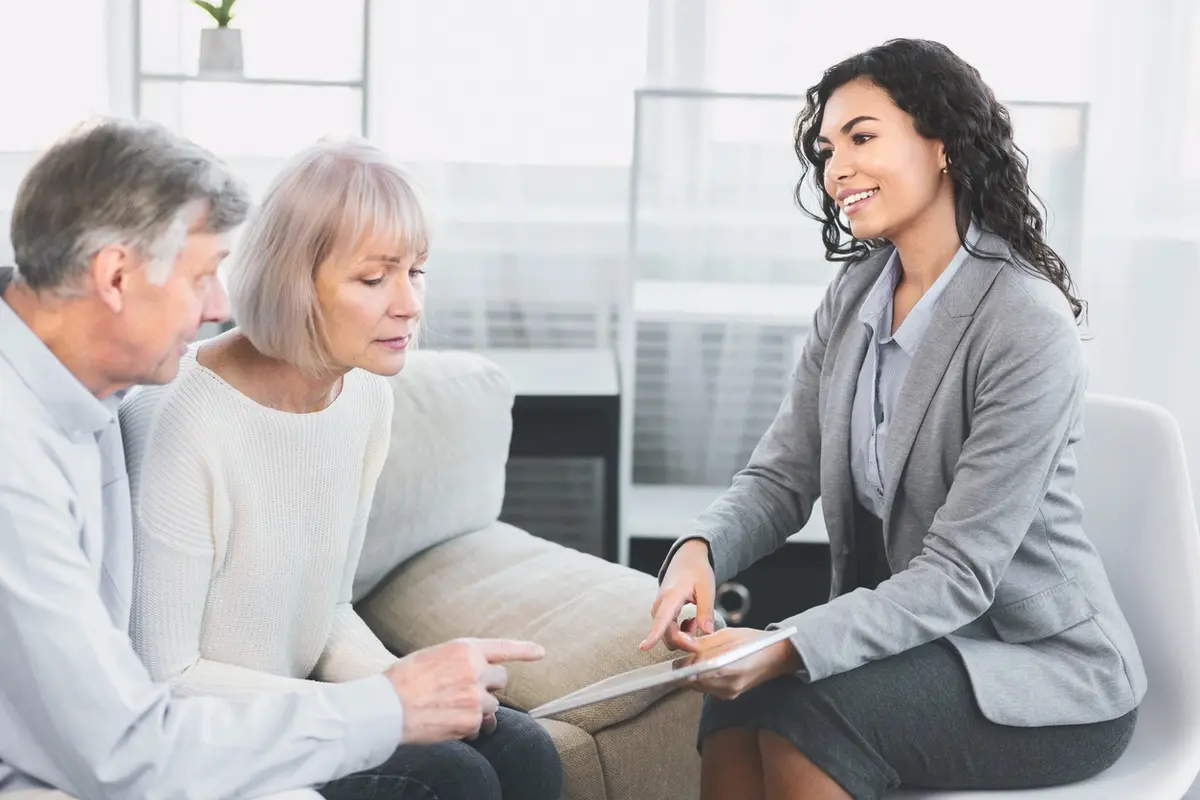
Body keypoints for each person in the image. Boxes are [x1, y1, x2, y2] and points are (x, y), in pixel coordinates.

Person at [641, 38, 1145, 800]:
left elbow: (959, 572)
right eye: (826, 147)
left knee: (807, 717)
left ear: (941, 144)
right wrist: (700, 552)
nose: (835, 167)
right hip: (913, 646)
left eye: (862, 136)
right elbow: (781, 477)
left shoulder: (1023, 323)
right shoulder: (852, 301)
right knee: (733, 713)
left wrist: (785, 646)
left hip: (1044, 673)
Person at [0, 118, 547, 800]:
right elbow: (130, 734)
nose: (218, 306)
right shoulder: (30, 462)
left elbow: (321, 613)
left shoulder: (90, 399)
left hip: (192, 735)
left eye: (416, 272)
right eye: (202, 276)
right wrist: (392, 704)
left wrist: (411, 694)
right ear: (114, 276)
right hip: (156, 747)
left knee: (525, 751)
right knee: (453, 780)